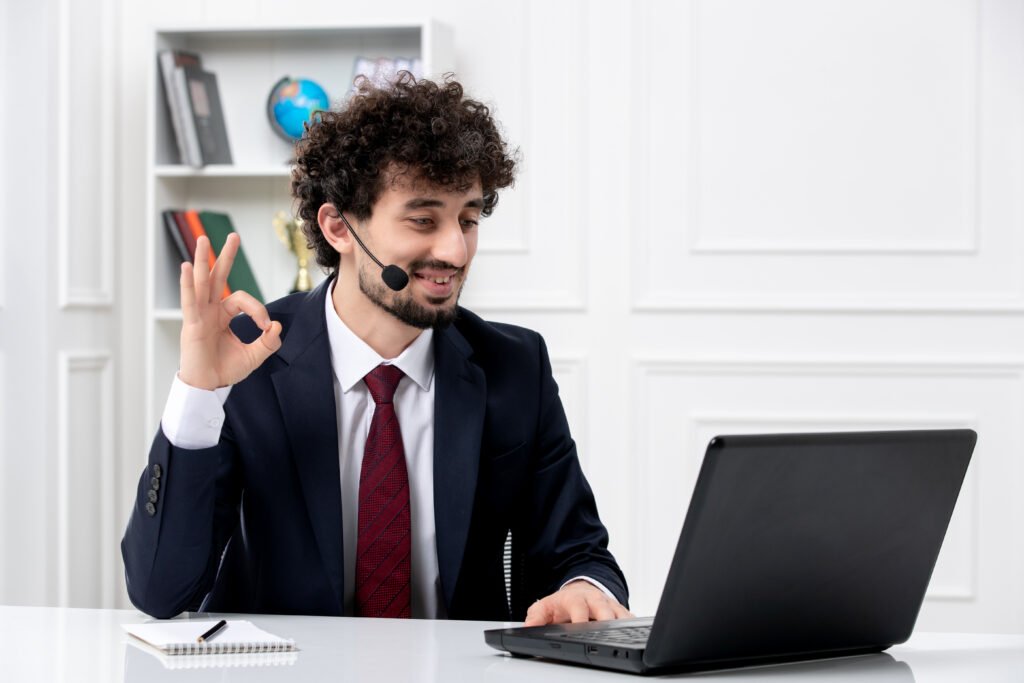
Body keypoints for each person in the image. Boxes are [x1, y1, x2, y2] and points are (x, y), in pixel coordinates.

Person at [122, 74, 630, 624]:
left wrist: (584, 587)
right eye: (423, 220)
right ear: (339, 226)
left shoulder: (514, 366)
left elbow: (580, 552)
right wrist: (199, 392)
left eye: (468, 219)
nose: (456, 251)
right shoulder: (250, 355)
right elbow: (159, 590)